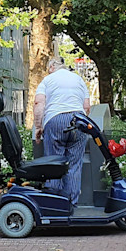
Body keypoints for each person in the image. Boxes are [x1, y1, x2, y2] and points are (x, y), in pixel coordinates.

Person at [33, 57, 91, 203]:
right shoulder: (78, 80)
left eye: (48, 68)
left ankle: (54, 204)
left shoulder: (47, 81)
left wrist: (39, 127)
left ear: (52, 66)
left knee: (53, 163)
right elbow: (86, 107)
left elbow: (39, 103)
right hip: (78, 121)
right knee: (74, 165)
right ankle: (71, 204)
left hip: (55, 121)